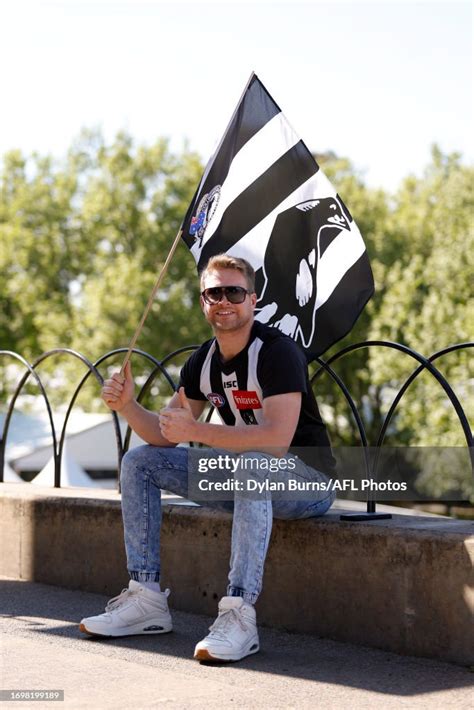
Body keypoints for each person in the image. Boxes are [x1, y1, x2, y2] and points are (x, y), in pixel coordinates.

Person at [79, 254, 335, 662]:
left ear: (253, 299)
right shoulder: (202, 361)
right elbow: (165, 434)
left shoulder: (276, 352)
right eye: (213, 293)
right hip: (242, 477)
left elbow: (275, 442)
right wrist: (128, 406)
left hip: (307, 483)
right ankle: (146, 600)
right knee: (139, 462)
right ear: (203, 302)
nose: (224, 300)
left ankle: (239, 615)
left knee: (254, 462)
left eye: (234, 291)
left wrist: (196, 431)